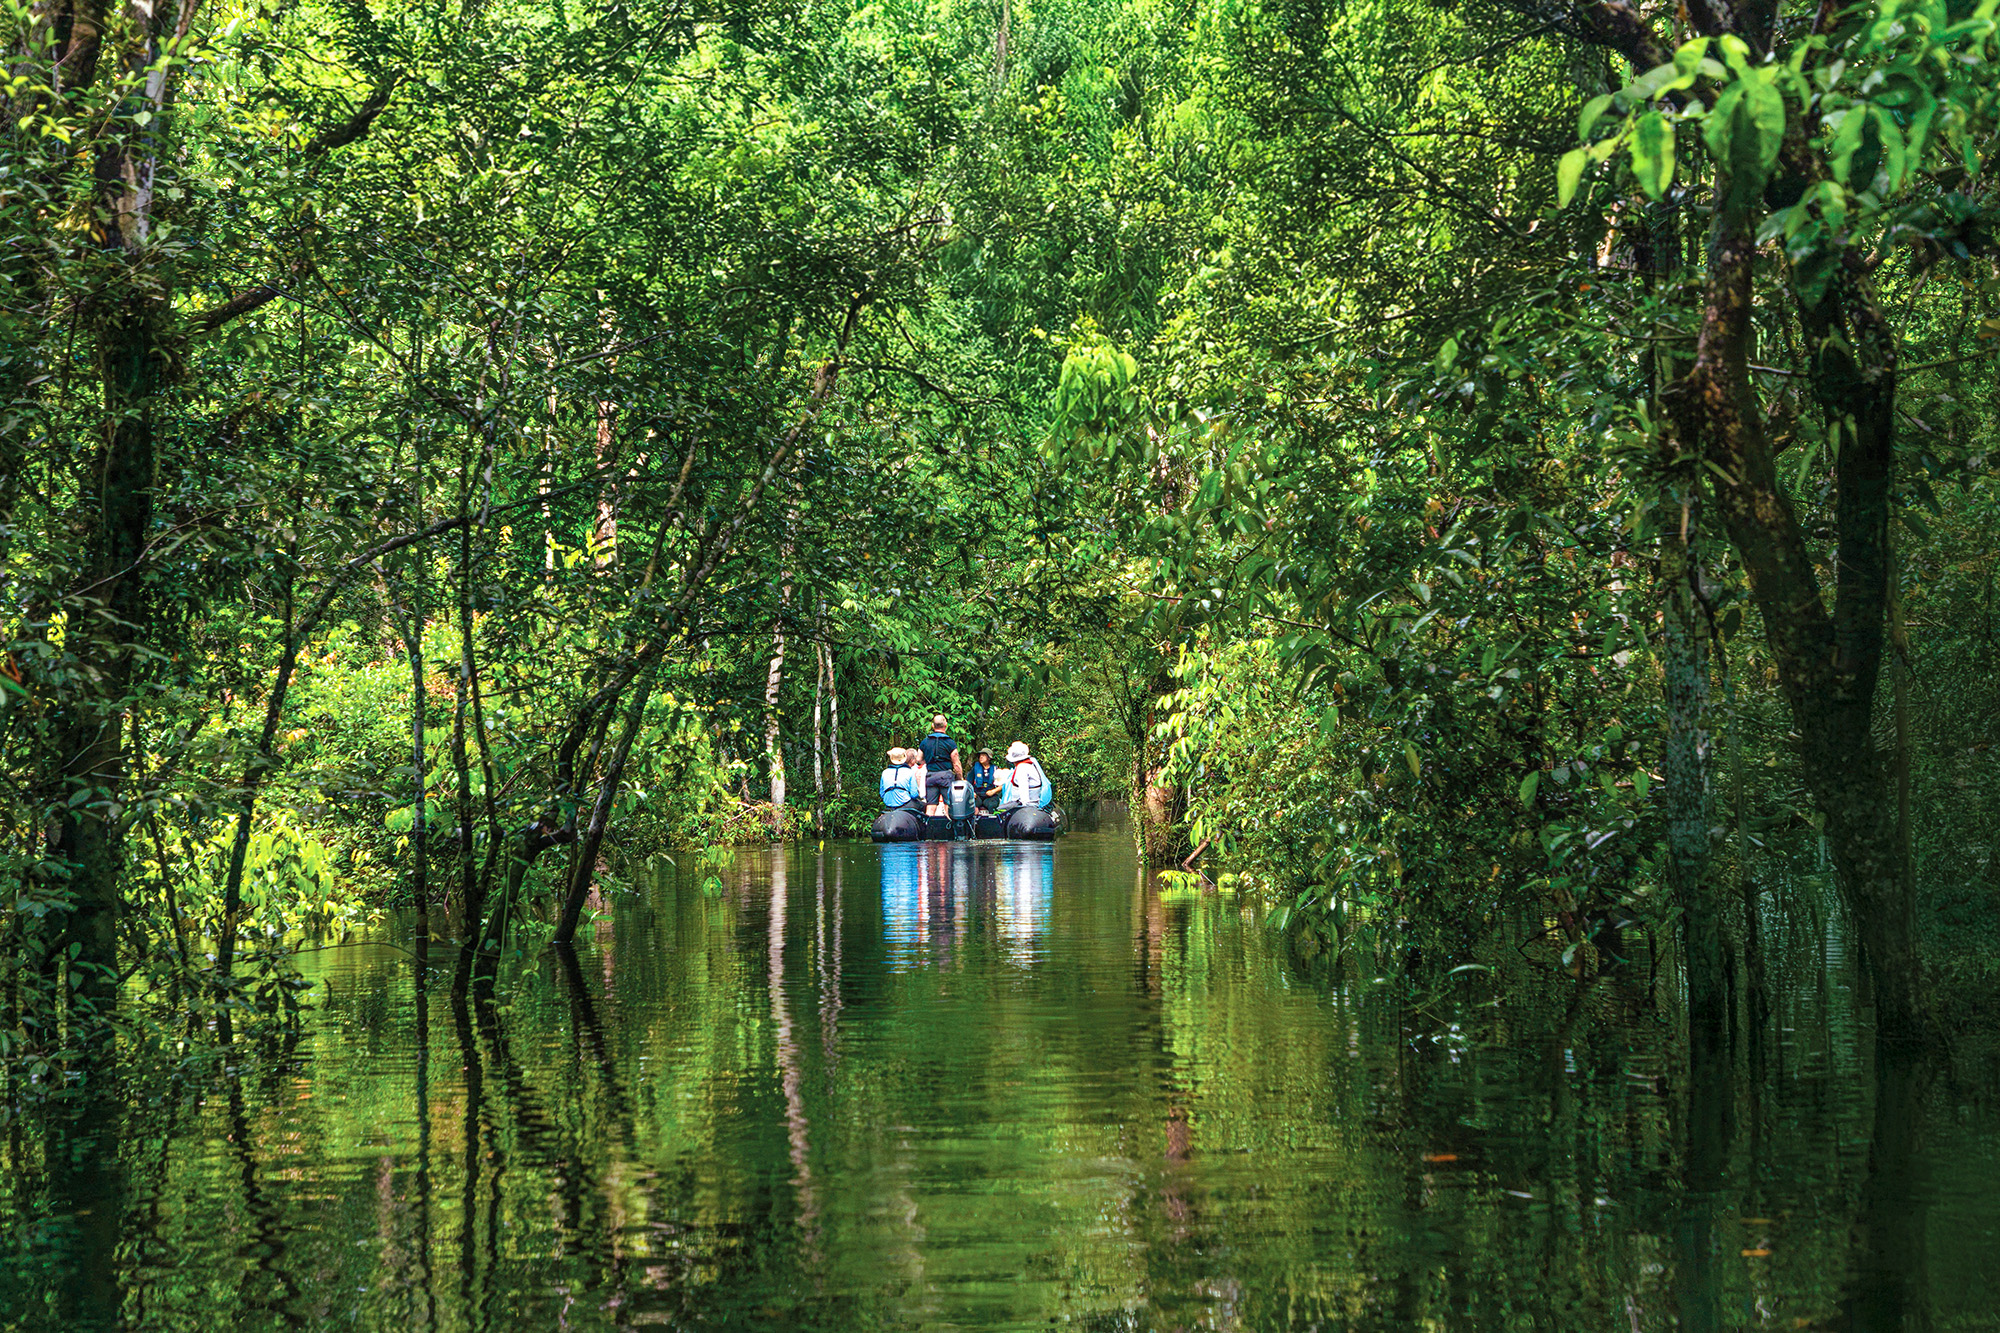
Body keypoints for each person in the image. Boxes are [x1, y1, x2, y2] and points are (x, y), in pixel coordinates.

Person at [917, 713, 963, 815]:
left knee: (930, 806)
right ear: (945, 725)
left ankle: (928, 828)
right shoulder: (949, 742)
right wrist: (960, 778)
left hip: (931, 775)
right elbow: (956, 763)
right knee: (948, 804)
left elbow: (919, 758)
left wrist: (929, 762)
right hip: (945, 776)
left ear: (933, 726)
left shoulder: (925, 742)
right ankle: (948, 827)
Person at [998, 741, 1052, 812]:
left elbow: (1024, 789)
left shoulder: (1021, 768)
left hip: (1026, 804)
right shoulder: (1031, 764)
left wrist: (1024, 807)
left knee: (999, 810)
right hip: (1034, 801)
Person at [878, 747, 924, 811]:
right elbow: (914, 794)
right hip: (905, 803)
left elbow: (882, 793)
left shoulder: (885, 772)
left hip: (888, 803)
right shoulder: (909, 772)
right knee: (925, 807)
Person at [969, 747, 1001, 812]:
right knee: (973, 806)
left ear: (989, 758)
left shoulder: (995, 769)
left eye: (983, 755)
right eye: (980, 756)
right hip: (977, 794)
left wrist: (993, 791)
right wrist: (972, 793)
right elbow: (968, 782)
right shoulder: (975, 768)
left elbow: (1001, 785)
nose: (981, 757)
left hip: (990, 795)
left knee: (992, 805)